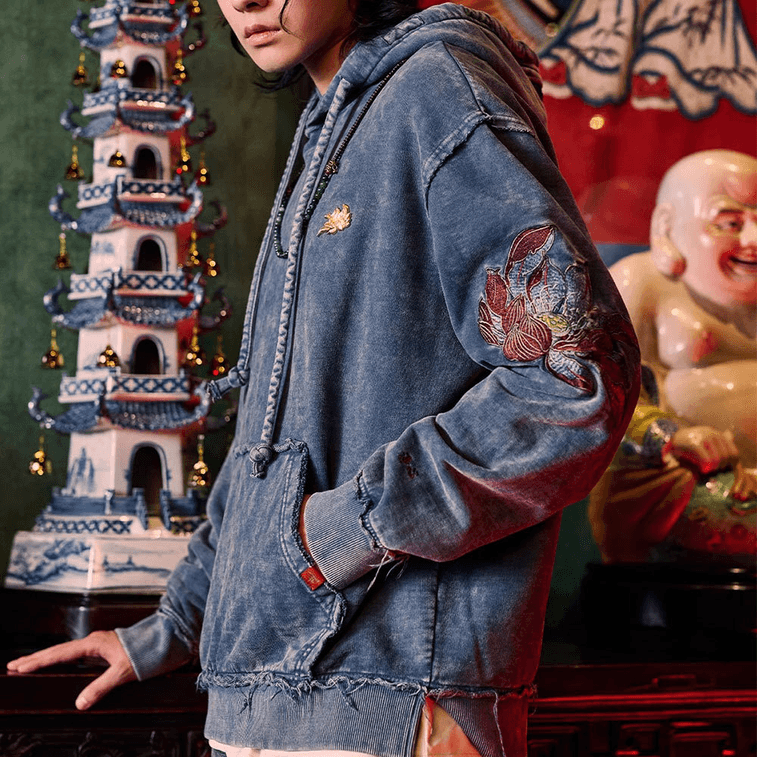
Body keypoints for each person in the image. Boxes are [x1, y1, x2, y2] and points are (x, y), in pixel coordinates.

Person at [8, 2, 640, 755]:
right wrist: (175, 624)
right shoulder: (330, 125)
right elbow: (273, 438)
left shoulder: (438, 87)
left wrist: (348, 527)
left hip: (390, 698)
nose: (244, 1)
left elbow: (574, 375)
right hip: (263, 700)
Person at [589, 149, 757, 565]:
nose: (752, 240)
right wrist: (671, 437)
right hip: (685, 478)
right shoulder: (642, 282)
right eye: (729, 223)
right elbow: (599, 393)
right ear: (667, 227)